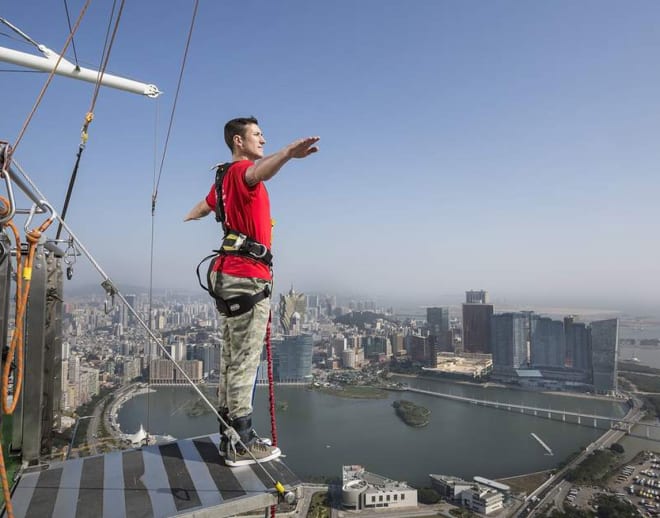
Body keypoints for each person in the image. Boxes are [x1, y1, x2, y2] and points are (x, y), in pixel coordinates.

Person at [184, 117, 319, 466]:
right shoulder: (241, 173)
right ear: (238, 141)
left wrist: (188, 218)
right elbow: (259, 173)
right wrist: (288, 152)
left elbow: (204, 207)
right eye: (257, 134)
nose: (263, 138)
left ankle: (227, 433)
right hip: (247, 275)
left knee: (231, 358)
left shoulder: (221, 180)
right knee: (245, 361)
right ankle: (241, 442)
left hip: (227, 273)